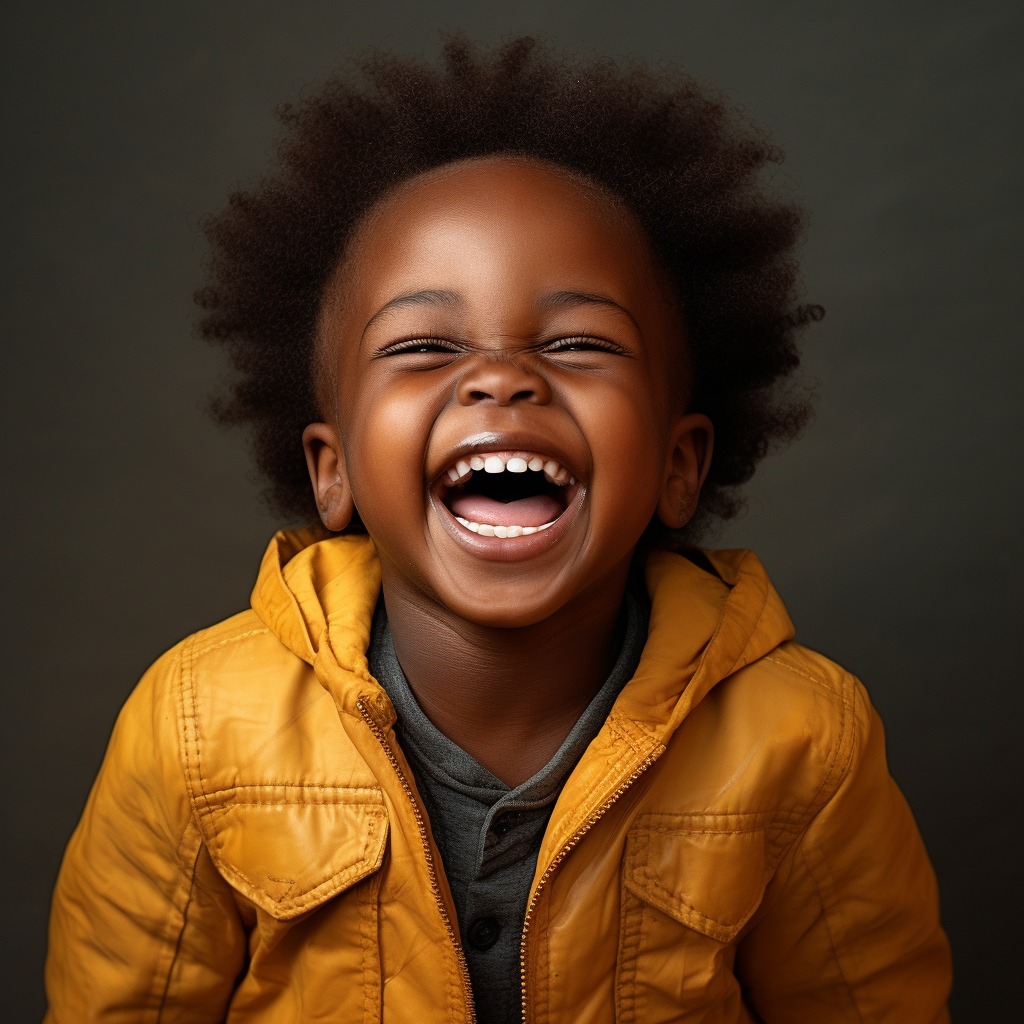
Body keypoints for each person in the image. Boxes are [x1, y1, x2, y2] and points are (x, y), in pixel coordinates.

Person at [43, 36, 951, 1023]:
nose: (501, 378)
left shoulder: (803, 739)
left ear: (678, 463)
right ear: (331, 468)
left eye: (577, 342)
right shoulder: (192, 728)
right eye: (425, 345)